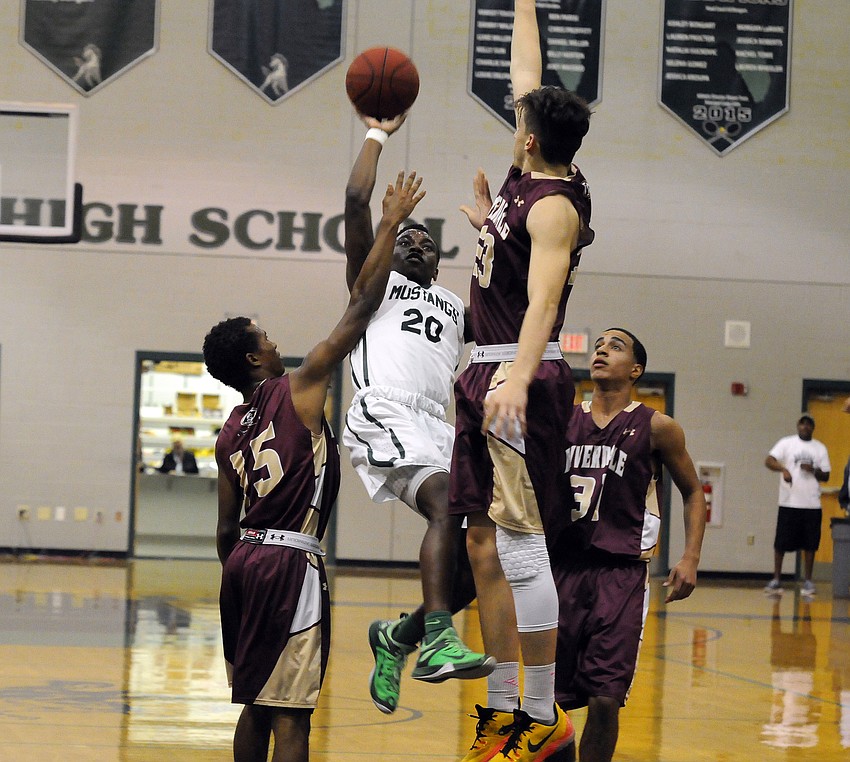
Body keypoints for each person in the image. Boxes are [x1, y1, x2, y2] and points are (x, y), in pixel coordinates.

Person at [201, 170, 425, 762]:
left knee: (253, 701)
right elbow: (360, 305)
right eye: (267, 338)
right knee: (294, 717)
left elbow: (224, 531)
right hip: (288, 563)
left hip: (243, 563)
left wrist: (246, 568)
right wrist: (388, 223)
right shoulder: (298, 386)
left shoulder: (229, 431)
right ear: (256, 357)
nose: (276, 342)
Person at [451, 1, 595, 758]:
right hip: (483, 370)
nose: (513, 118)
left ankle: (539, 716)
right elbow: (526, 74)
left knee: (523, 547)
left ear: (530, 139)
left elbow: (544, 300)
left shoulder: (553, 209)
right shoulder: (524, 180)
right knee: (483, 544)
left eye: (518, 120)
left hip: (514, 373)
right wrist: (526, 4)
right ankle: (503, 711)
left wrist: (519, 373)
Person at [342, 111, 489, 716]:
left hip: (439, 424)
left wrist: (495, 238)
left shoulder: (456, 304)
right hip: (385, 410)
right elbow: (354, 198)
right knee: (448, 503)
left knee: (480, 546)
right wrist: (378, 136)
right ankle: (433, 641)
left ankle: (398, 636)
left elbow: (514, 311)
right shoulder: (371, 290)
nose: (418, 241)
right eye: (407, 237)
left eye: (426, 239)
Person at [547, 328, 707, 762]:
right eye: (598, 344)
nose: (601, 349)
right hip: (559, 569)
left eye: (614, 346)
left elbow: (693, 492)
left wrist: (690, 557)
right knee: (551, 701)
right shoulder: (562, 419)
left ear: (635, 370)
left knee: (604, 697)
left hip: (621, 575)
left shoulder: (658, 427)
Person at [764, 413, 831, 597]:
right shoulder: (786, 443)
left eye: (809, 424)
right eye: (802, 424)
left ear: (813, 428)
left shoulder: (819, 448)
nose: (805, 427)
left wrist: (814, 470)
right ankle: (777, 579)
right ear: (798, 426)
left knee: (810, 544)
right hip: (789, 502)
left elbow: (826, 476)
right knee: (781, 543)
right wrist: (783, 469)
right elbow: (769, 460)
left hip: (811, 504)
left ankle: (808, 581)